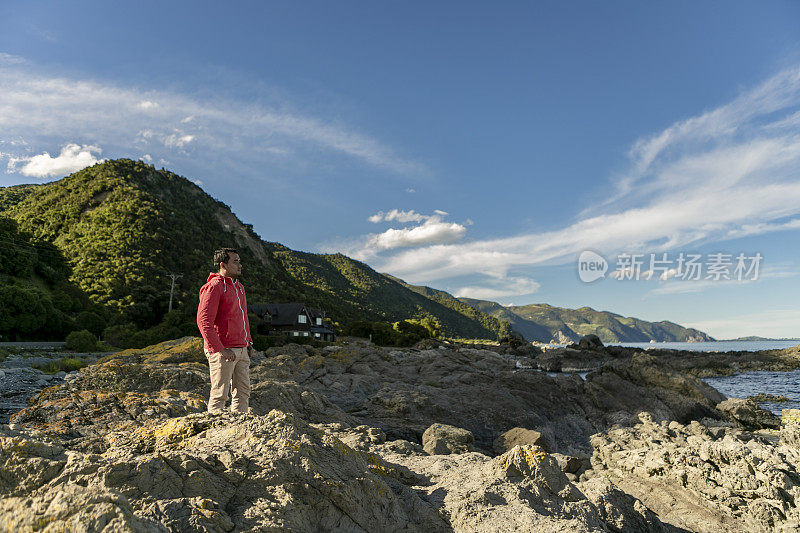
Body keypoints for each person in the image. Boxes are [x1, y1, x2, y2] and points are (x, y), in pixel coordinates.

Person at [196, 248, 253, 413]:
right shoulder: (213, 287)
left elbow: (243, 318)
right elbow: (203, 321)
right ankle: (214, 431)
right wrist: (220, 349)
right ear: (223, 265)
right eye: (235, 261)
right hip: (223, 350)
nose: (240, 265)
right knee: (220, 394)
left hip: (242, 349)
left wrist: (248, 342)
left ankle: (239, 429)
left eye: (239, 261)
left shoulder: (240, 288)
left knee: (243, 394)